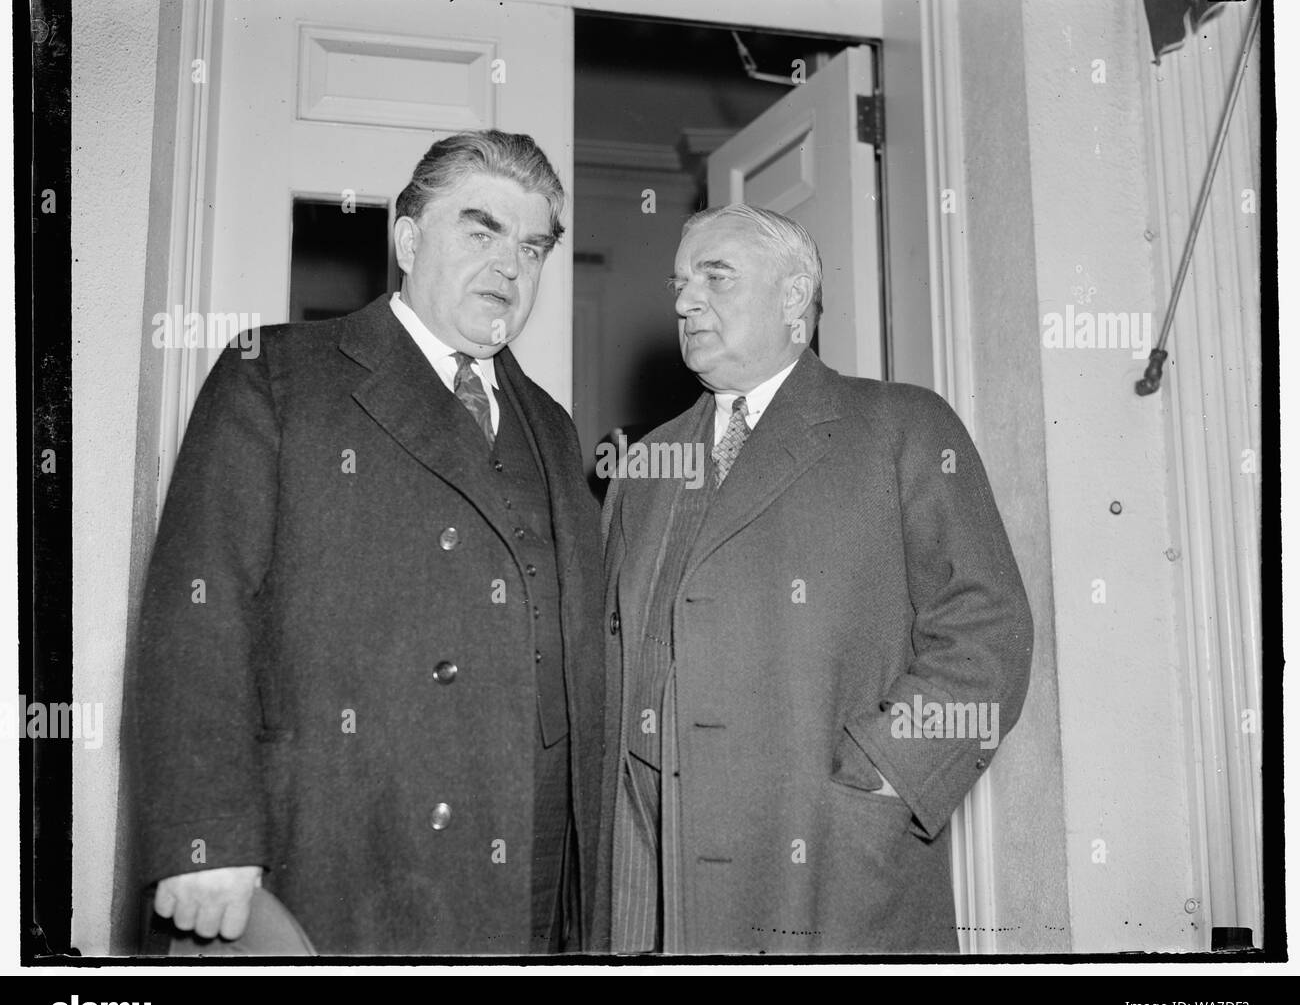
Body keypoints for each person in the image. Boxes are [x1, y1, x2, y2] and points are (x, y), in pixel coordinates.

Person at [129, 130, 603, 956]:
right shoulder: (277, 373)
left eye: (532, 247)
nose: (510, 267)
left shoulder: (554, 428)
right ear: (409, 239)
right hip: (341, 847)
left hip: (523, 859)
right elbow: (199, 610)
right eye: (480, 230)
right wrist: (202, 834)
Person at [596, 204, 1034, 955]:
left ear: (795, 295)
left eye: (715, 276)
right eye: (678, 282)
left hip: (831, 876)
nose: (682, 300)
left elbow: (988, 634)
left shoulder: (902, 426)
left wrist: (884, 775)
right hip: (660, 889)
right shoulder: (644, 463)